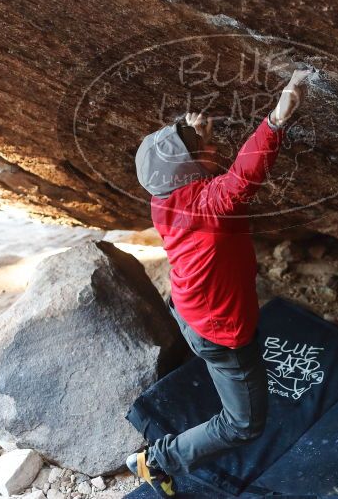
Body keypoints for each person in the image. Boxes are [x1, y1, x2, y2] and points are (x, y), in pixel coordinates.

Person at [129, 68, 312, 497]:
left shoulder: (164, 199)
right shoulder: (210, 204)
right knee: (243, 424)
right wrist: (277, 119)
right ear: (189, 172)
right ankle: (158, 460)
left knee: (230, 380)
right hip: (221, 331)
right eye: (202, 149)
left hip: (193, 311)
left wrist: (187, 138)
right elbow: (243, 176)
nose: (212, 146)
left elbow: (196, 174)